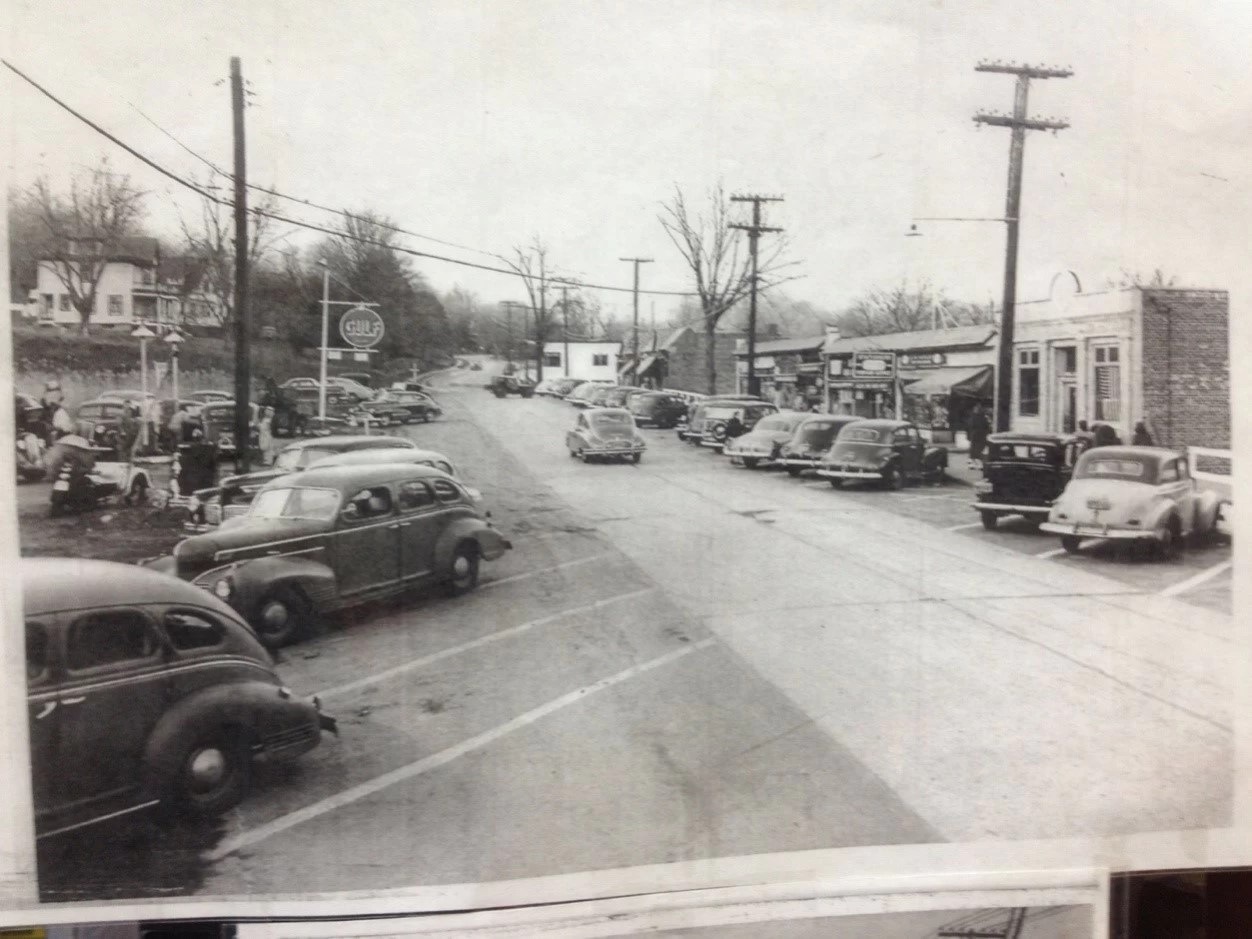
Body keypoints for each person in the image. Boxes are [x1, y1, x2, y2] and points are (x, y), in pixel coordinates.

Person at [966, 402, 991, 469]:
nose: (978, 409)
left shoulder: (983, 417)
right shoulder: (973, 418)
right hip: (976, 435)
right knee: (975, 449)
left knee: (978, 449)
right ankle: (973, 462)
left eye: (979, 408)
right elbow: (969, 427)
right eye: (977, 408)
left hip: (980, 435)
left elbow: (987, 427)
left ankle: (975, 462)